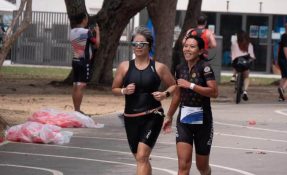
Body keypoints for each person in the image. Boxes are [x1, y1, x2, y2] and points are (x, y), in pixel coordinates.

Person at [111, 26, 176, 175]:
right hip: (131, 118)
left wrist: (165, 94)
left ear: (149, 45)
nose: (138, 47)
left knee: (141, 156)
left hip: (152, 115)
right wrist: (124, 91)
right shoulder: (124, 66)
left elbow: (174, 85)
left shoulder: (159, 67)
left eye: (142, 44)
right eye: (135, 44)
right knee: (140, 158)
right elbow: (114, 88)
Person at [165, 35, 218, 175]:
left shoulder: (205, 68)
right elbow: (177, 94)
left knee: (202, 167)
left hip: (203, 122)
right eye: (186, 46)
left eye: (192, 46)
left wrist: (191, 85)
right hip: (184, 121)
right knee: (183, 166)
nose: (187, 49)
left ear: (200, 51)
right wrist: (169, 116)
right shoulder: (179, 68)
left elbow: (214, 92)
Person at [70, 13, 100, 114]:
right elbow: (96, 45)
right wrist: (97, 32)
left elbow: (81, 42)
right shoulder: (87, 32)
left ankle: (76, 109)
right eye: (87, 18)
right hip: (84, 62)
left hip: (75, 60)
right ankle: (78, 110)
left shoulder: (72, 31)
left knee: (75, 85)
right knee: (81, 86)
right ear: (84, 19)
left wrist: (90, 33)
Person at [231, 31, 256, 101]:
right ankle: (245, 91)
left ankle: (233, 76)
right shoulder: (249, 45)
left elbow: (233, 55)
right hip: (245, 63)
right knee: (246, 77)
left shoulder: (235, 44)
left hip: (237, 62)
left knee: (235, 63)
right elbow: (252, 56)